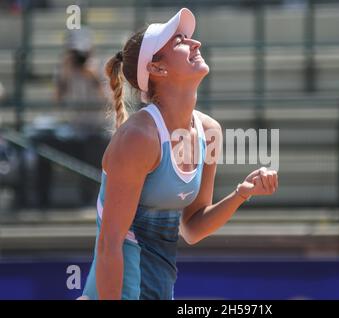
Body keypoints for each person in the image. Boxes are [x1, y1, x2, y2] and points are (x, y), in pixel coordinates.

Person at [80, 8, 278, 300]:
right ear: (157, 69)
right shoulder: (139, 138)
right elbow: (110, 244)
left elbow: (193, 227)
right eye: (180, 41)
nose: (195, 43)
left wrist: (241, 193)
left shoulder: (210, 131)